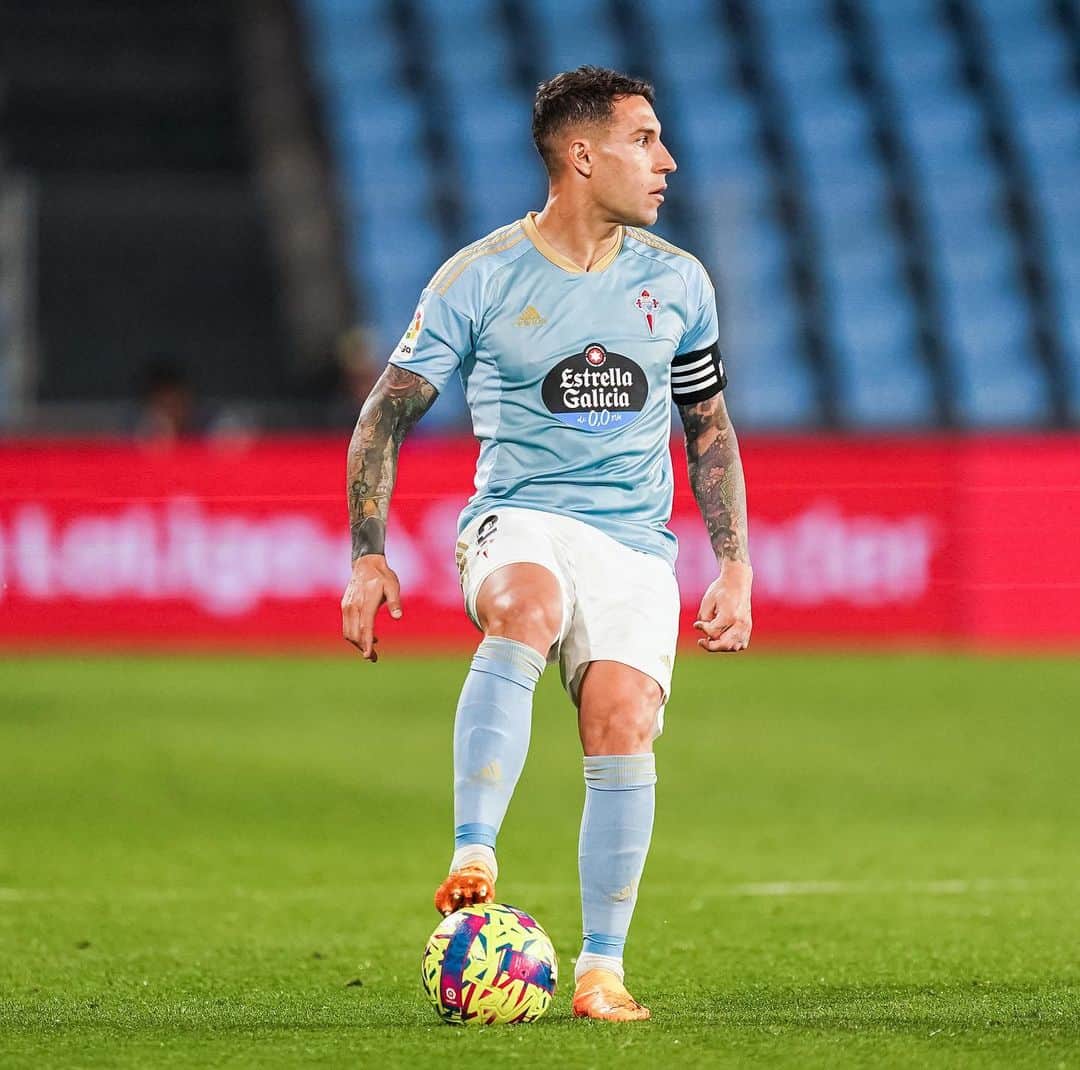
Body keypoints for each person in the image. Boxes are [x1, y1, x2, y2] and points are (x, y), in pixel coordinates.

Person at [341, 66, 752, 1022]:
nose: (667, 161)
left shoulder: (679, 282)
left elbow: (708, 428)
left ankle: (602, 970)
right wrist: (368, 551)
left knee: (621, 720)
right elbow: (383, 416)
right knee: (527, 607)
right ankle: (473, 851)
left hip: (634, 542)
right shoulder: (480, 277)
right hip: (518, 516)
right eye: (644, 139)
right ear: (582, 155)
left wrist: (734, 563)